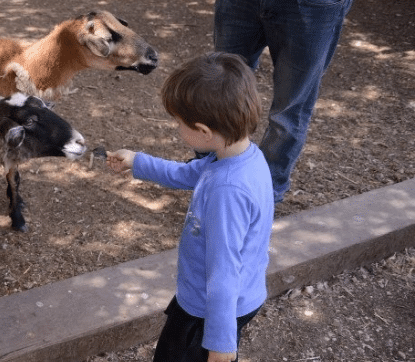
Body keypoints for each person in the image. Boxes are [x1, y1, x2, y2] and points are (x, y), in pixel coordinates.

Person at [107, 52, 274, 362]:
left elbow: (223, 272)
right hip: (227, 297)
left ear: (203, 131)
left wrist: (221, 345)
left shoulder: (228, 191)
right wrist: (138, 163)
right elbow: (187, 174)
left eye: (179, 122)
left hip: (208, 312)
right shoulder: (240, 155)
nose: (176, 127)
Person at [213, 0, 354, 203]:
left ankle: (261, 197)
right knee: (220, 92)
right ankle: (214, 182)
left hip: (313, 6)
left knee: (289, 112)